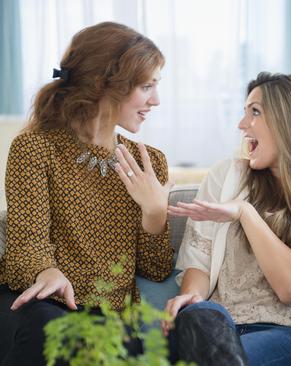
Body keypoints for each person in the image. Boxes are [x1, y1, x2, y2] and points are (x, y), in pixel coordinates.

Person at [0, 22, 174, 365]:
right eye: (146, 86)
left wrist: (155, 213)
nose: (156, 100)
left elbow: (156, 270)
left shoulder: (149, 163)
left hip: (108, 320)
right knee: (52, 331)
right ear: (103, 85)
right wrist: (47, 271)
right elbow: (26, 245)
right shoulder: (35, 148)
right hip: (38, 307)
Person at [165, 72, 291, 366]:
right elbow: (200, 261)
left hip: (279, 332)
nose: (241, 124)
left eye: (254, 112)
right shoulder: (225, 176)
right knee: (199, 316)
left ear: (288, 123)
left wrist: (245, 212)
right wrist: (190, 296)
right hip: (212, 323)